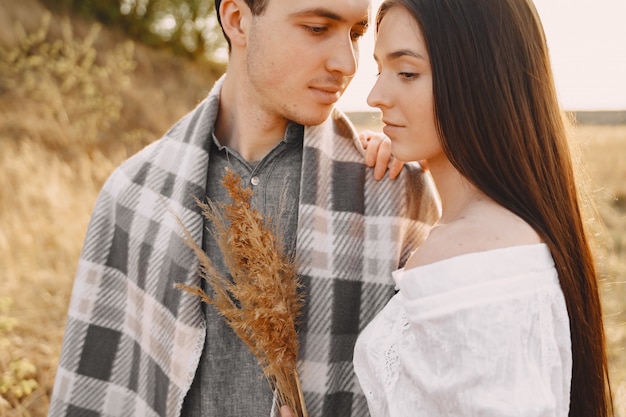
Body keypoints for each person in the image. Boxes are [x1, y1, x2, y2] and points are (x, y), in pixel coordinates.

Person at [47, 0, 440, 416]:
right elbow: (91, 389)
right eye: (316, 28)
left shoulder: (395, 192)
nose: (347, 63)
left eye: (356, 34)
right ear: (237, 20)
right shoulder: (132, 194)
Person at [281, 0, 615, 416]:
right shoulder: (504, 235)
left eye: (407, 73)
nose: (375, 96)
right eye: (379, 70)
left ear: (482, 81)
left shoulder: (472, 258)